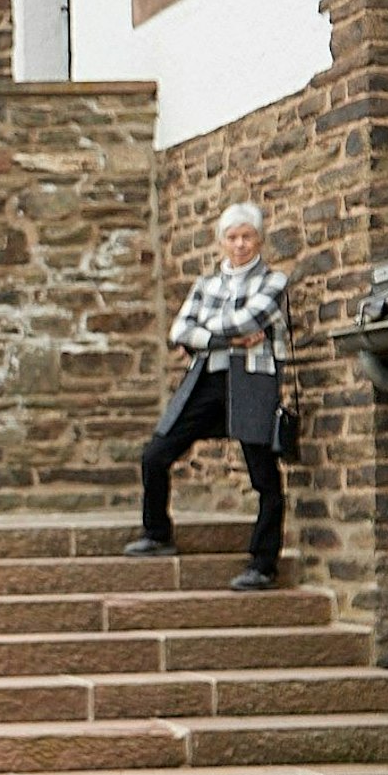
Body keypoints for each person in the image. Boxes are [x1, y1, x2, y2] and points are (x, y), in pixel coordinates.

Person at [124, 202, 290, 592]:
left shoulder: (275, 281)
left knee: (263, 476)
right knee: (156, 453)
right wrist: (228, 339)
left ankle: (263, 564)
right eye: (232, 237)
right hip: (207, 382)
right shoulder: (206, 284)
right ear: (221, 242)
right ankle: (157, 534)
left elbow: (250, 319)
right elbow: (180, 330)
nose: (240, 244)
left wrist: (208, 335)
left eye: (247, 236)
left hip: (252, 381)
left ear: (259, 239)